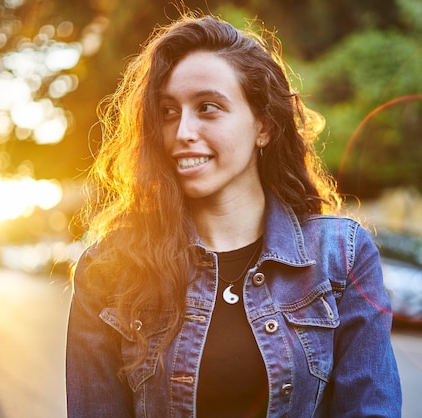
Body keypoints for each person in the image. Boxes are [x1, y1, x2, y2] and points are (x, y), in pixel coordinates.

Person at [66, 11, 402, 418]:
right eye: (169, 111)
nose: (182, 131)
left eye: (207, 107)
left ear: (263, 125)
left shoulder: (341, 256)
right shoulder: (108, 268)